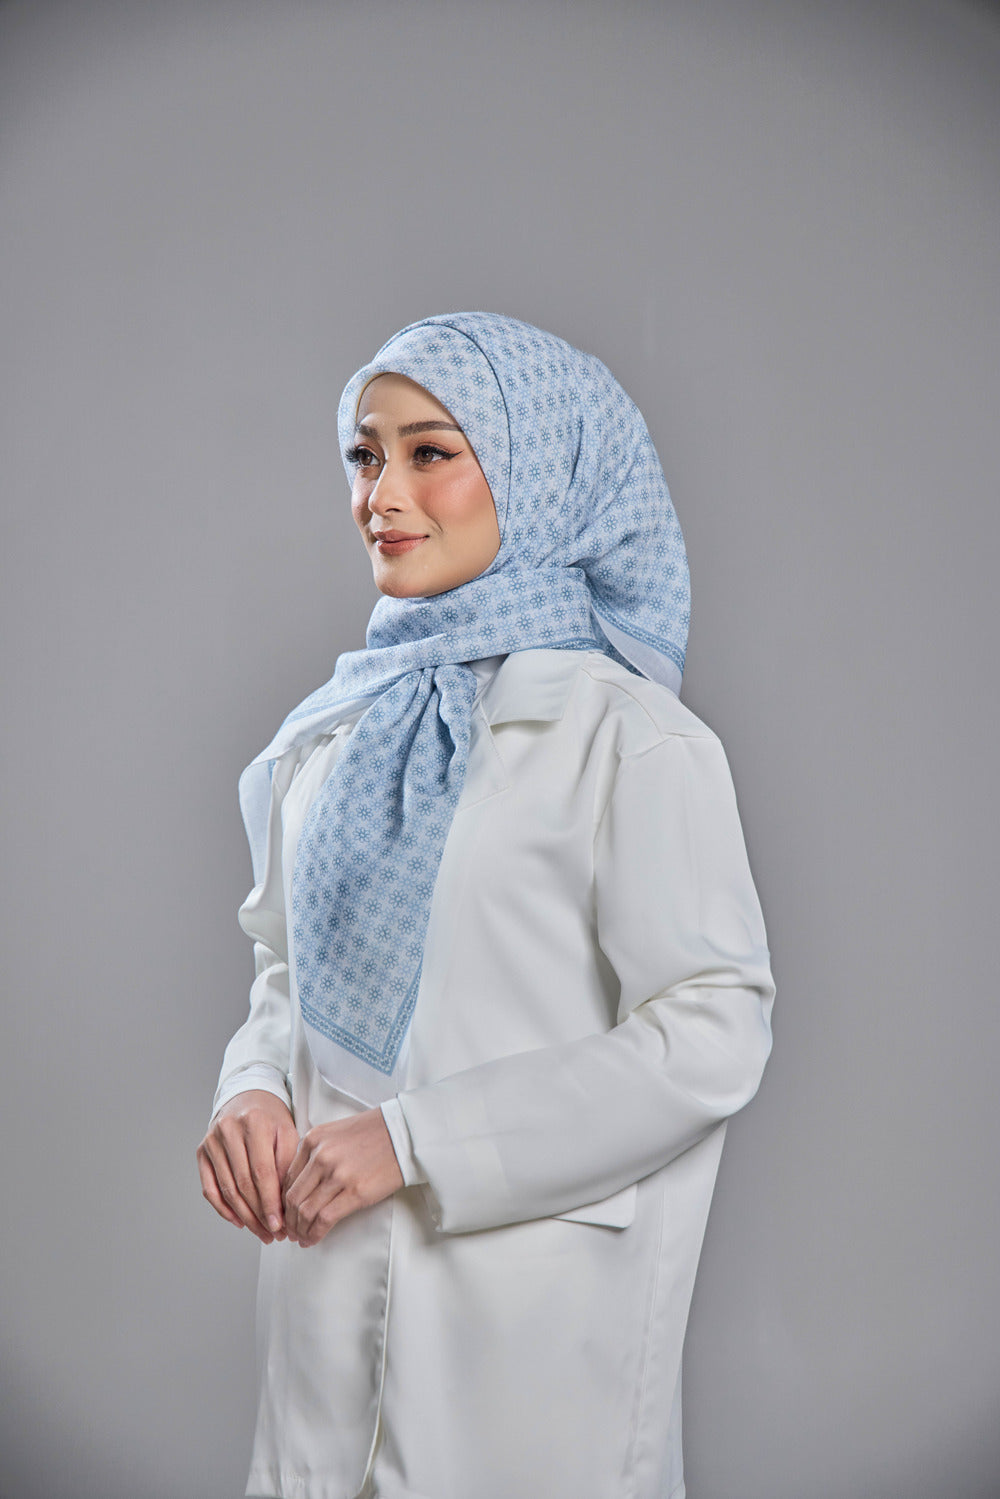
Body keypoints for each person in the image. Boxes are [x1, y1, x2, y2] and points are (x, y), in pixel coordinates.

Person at [197, 311, 775, 1499]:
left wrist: (420, 1142)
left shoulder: (630, 738)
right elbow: (288, 972)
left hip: (531, 1326)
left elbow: (713, 1026)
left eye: (431, 452)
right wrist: (250, 1086)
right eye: (366, 455)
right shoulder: (338, 733)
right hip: (319, 1297)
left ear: (541, 470)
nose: (382, 495)